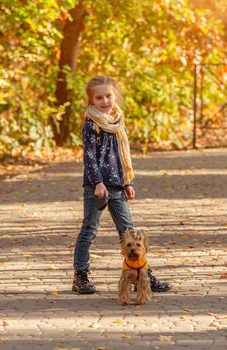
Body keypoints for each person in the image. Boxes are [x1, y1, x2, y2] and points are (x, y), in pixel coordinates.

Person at [72, 75, 170, 294]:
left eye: (108, 96)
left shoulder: (118, 123)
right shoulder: (91, 126)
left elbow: (121, 156)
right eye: (99, 98)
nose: (104, 101)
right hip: (97, 187)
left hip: (117, 185)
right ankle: (80, 276)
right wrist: (97, 183)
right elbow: (90, 158)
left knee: (129, 233)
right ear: (91, 101)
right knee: (89, 230)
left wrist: (128, 182)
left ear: (115, 96)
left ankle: (142, 274)